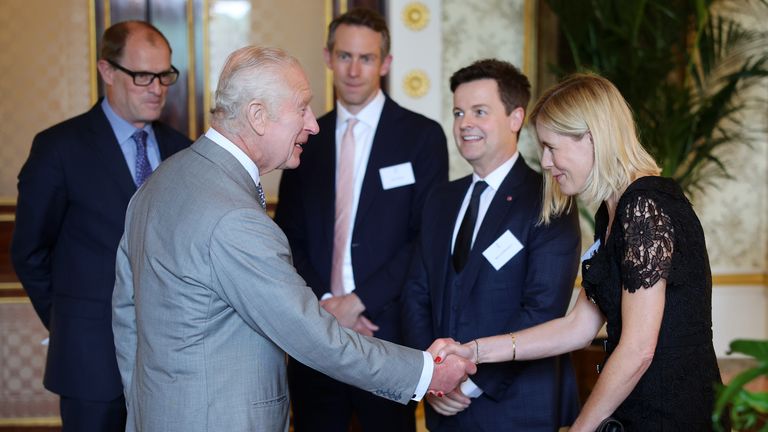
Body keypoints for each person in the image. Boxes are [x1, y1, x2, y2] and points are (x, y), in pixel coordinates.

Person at [110, 45, 474, 432]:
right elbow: (313, 337)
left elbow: (125, 315)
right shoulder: (235, 218)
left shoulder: (161, 181)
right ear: (258, 116)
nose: (314, 124)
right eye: (301, 108)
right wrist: (424, 374)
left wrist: (147, 410)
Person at [431, 73, 729, 431]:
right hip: (633, 409)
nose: (543, 161)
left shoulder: (644, 206)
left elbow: (638, 350)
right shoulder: (612, 212)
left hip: (673, 412)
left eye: (551, 147)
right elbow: (576, 328)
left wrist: (580, 428)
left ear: (591, 138)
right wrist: (474, 350)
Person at [10, 21, 191, 432]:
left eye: (164, 75)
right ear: (107, 71)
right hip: (90, 361)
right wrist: (70, 321)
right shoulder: (59, 147)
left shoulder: (182, 149)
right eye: (142, 75)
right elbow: (29, 251)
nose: (157, 88)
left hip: (170, 362)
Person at [274, 7, 448, 432]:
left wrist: (357, 302)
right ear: (328, 57)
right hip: (315, 330)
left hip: (386, 334)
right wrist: (329, 305)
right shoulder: (304, 137)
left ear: (385, 64)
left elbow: (424, 237)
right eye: (345, 56)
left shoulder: (421, 137)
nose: (354, 69)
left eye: (366, 58)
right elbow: (288, 234)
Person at [401, 59, 581, 431]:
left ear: (515, 118)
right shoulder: (440, 199)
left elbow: (543, 308)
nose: (465, 123)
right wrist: (432, 378)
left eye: (479, 112)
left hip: (517, 405)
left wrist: (468, 381)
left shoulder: (550, 198)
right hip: (443, 406)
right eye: (458, 112)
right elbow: (417, 294)